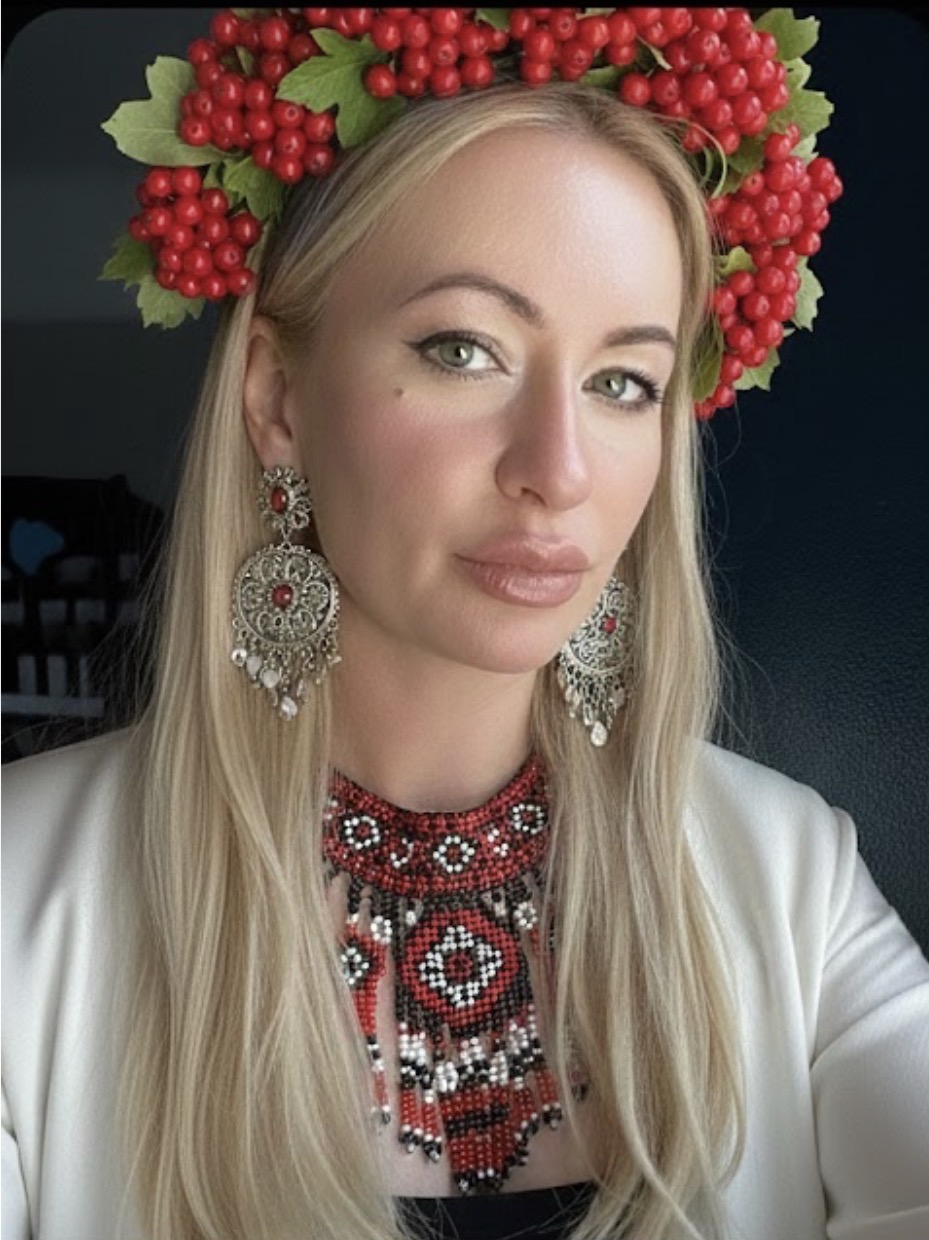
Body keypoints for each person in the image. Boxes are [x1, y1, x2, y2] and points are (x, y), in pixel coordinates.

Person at [3, 9, 928, 1240]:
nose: (557, 469)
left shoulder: (790, 882)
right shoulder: (21, 896)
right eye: (463, 349)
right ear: (276, 398)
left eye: (621, 382)